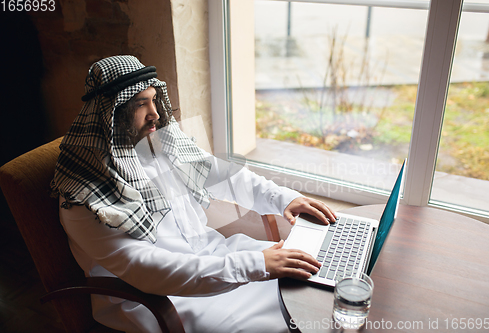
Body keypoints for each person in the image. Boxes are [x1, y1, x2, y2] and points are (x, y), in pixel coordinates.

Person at [52, 55, 337, 333]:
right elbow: (146, 269)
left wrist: (285, 199)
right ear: (112, 114)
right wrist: (255, 264)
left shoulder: (158, 145)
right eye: (141, 104)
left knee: (315, 281)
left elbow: (228, 176)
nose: (155, 113)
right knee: (284, 321)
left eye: (154, 100)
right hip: (161, 298)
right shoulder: (85, 200)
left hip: (218, 256)